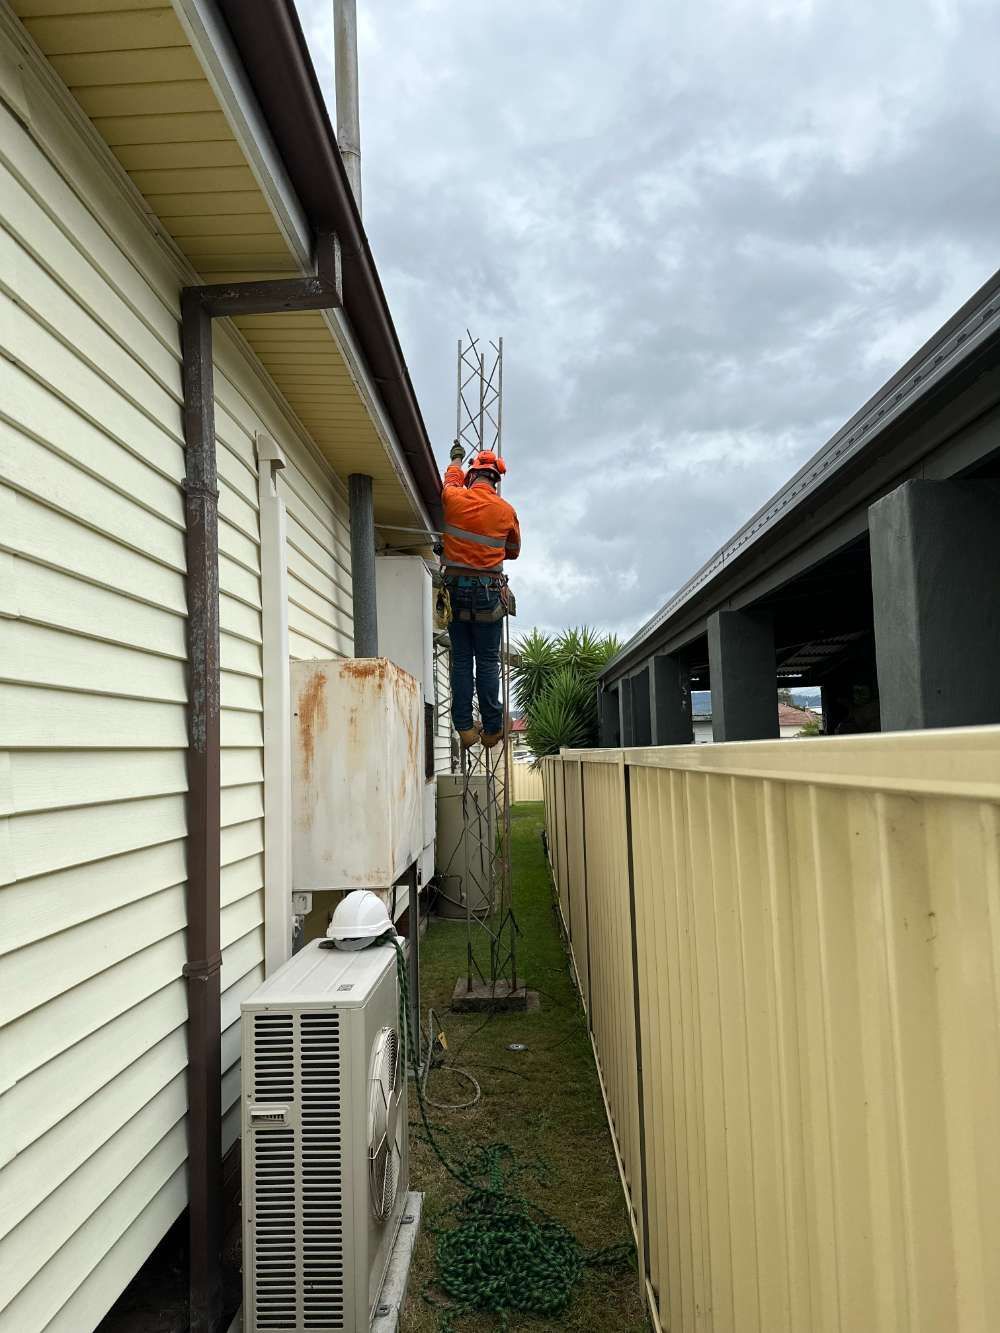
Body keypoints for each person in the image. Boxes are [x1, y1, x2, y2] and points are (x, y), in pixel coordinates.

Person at [441, 443, 520, 748]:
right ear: (495, 482)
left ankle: (463, 726)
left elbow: (450, 479)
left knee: (461, 659)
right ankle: (491, 727)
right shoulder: (506, 510)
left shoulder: (454, 497)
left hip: (455, 591)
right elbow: (512, 552)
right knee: (487, 661)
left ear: (472, 476)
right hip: (488, 593)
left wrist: (457, 459)